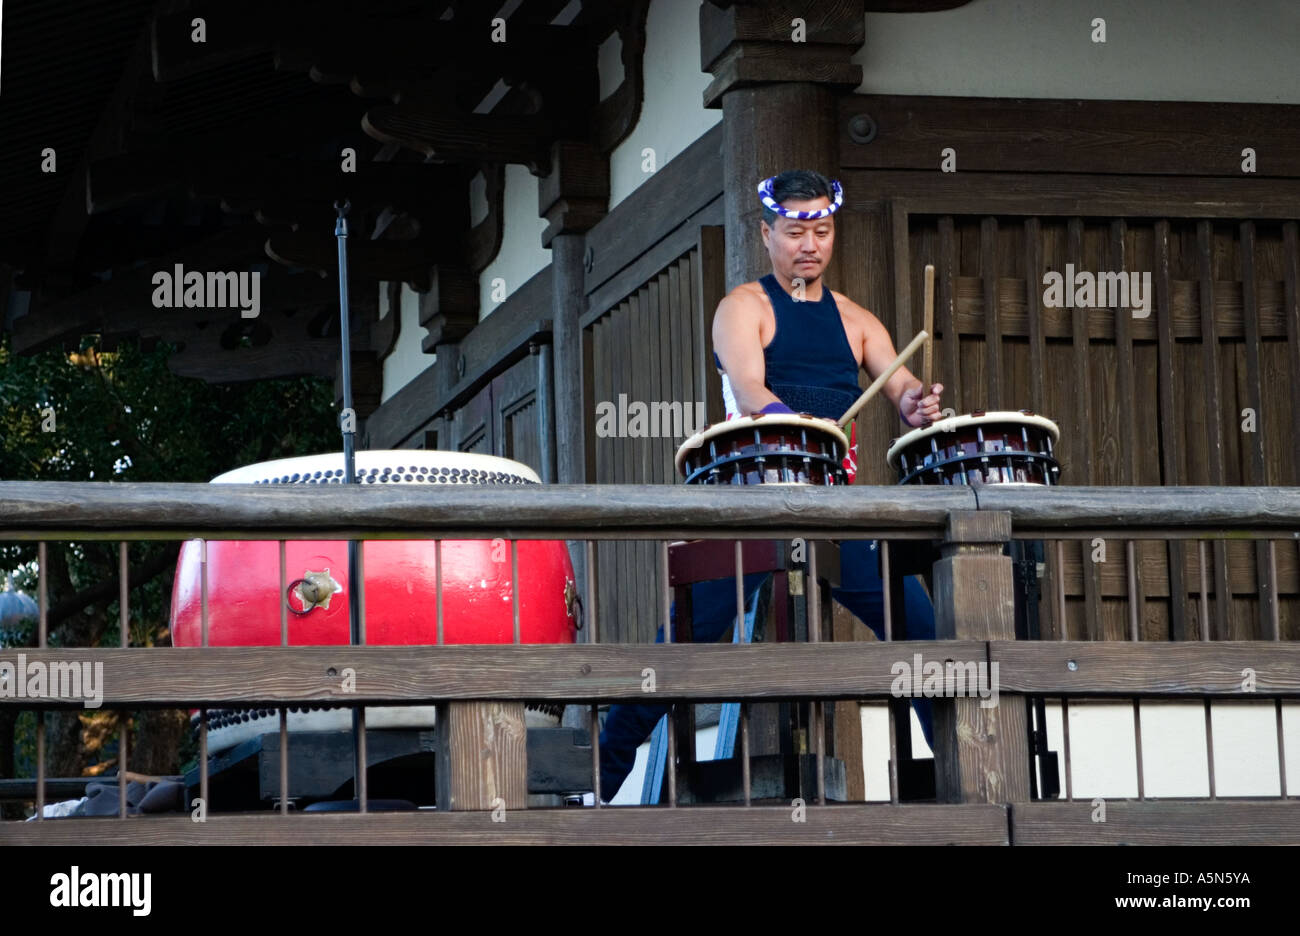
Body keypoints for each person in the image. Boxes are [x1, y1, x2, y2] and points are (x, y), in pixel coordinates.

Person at [598, 169, 945, 800]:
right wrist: (794, 420)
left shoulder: (858, 321)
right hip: (753, 503)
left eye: (822, 229)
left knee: (924, 633)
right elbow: (752, 390)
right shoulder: (743, 308)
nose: (809, 244)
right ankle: (595, 779)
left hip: (838, 509)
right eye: (795, 231)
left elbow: (902, 393)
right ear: (767, 235)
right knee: (682, 642)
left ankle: (958, 779)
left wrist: (919, 405)